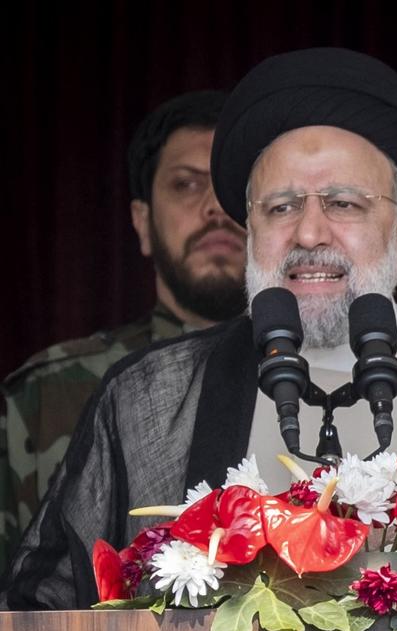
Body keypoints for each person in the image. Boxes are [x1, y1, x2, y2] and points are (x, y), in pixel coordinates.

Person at [2, 48, 397, 611]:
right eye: (281, 207)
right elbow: (47, 630)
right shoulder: (149, 401)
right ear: (251, 235)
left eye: (343, 204)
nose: (309, 234)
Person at [0, 90, 247, 575]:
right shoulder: (45, 397)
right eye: (186, 185)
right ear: (142, 223)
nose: (215, 207)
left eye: (232, 186)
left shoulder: (320, 386)